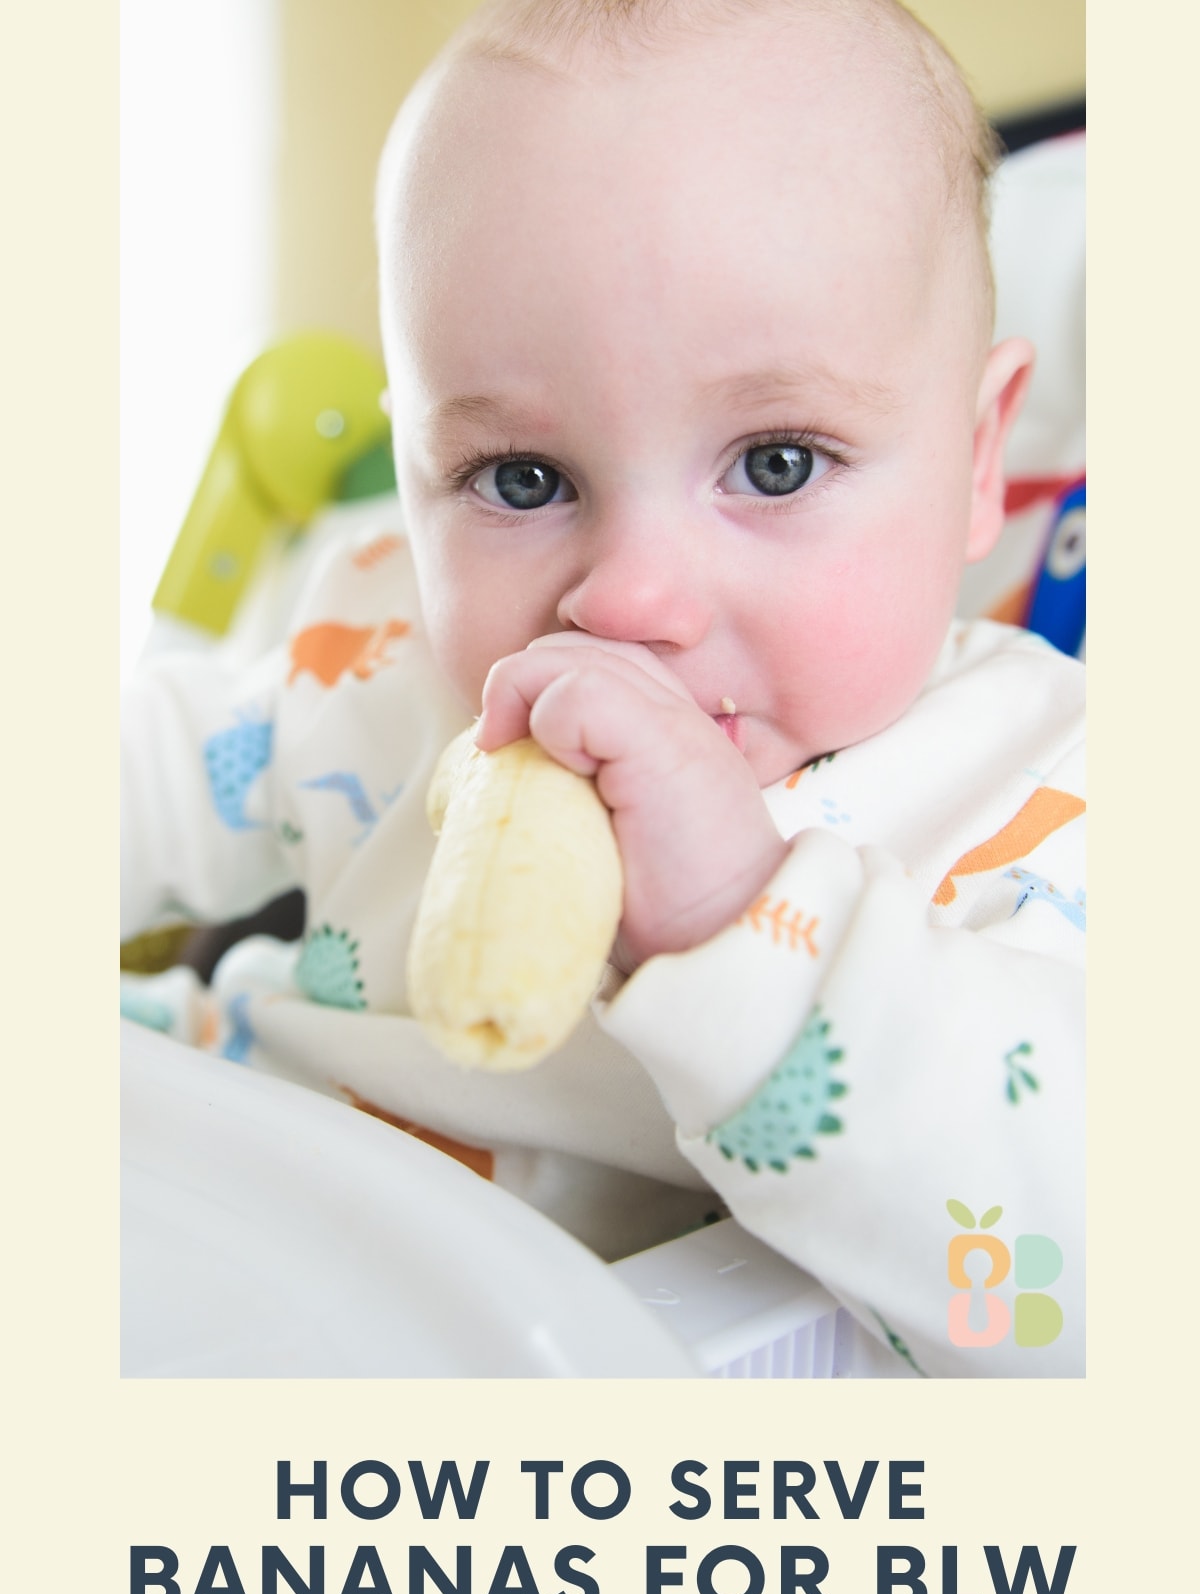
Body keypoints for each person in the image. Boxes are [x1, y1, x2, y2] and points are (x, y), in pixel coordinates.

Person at [121, 0, 1084, 1376]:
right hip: (213, 1236)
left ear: (980, 455)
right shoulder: (388, 659)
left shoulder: (1044, 796)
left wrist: (740, 928)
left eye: (775, 464)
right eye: (522, 480)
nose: (627, 599)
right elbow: (144, 768)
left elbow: (1085, 1288)